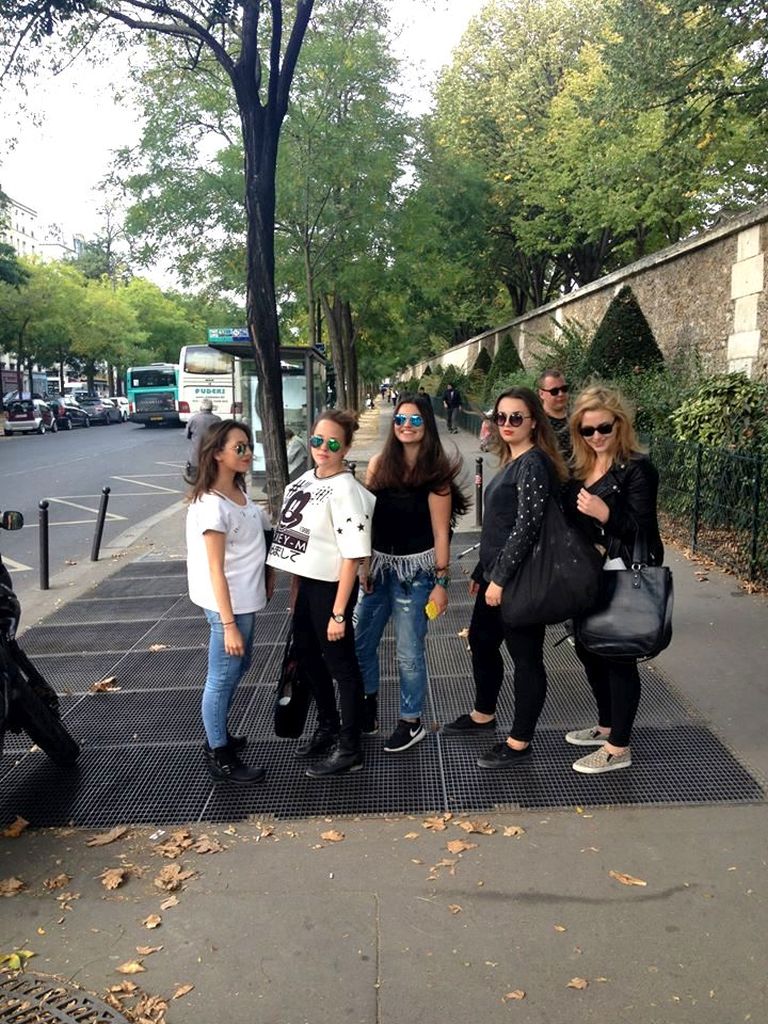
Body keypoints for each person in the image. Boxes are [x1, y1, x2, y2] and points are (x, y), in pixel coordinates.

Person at [443, 386, 568, 768]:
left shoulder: (533, 464)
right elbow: (500, 526)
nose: (507, 423)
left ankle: (519, 742)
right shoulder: (514, 460)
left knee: (526, 657)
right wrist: (483, 571)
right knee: (482, 640)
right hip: (497, 573)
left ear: (534, 422)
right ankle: (484, 714)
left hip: (519, 578)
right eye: (501, 417)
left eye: (516, 417)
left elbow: (527, 527)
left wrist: (499, 579)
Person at [354, 393, 469, 752]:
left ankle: (411, 720)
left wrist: (441, 583)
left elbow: (441, 533)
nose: (406, 425)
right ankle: (367, 708)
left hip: (416, 575)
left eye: (415, 420)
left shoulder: (436, 476)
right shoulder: (379, 464)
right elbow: (368, 521)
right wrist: (363, 565)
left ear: (427, 425)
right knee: (361, 642)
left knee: (408, 652)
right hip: (378, 569)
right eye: (400, 419)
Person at [267, 410, 375, 778]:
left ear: (346, 447)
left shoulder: (347, 491)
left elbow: (352, 555)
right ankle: (328, 725)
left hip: (332, 588)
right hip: (307, 586)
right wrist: (294, 592)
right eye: (316, 440)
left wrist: (339, 612)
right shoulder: (305, 480)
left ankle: (350, 746)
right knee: (309, 659)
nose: (322, 448)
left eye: (332, 443)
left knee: (342, 666)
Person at [565, 385, 664, 774]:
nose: (596, 436)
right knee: (588, 649)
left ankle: (618, 747)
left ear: (619, 424)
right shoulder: (579, 469)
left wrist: (606, 514)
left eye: (603, 428)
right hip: (587, 574)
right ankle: (606, 725)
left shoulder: (637, 469)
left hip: (624, 574)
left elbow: (644, 531)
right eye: (587, 430)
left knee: (618, 656)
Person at [186, 420, 274, 784]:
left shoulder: (238, 492)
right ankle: (219, 753)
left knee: (239, 667)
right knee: (222, 677)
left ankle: (217, 732)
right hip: (229, 606)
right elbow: (215, 569)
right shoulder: (212, 507)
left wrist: (268, 576)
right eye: (239, 447)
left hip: (245, 600)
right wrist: (227, 624)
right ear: (217, 454)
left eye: (248, 445)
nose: (248, 452)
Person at [537, 368, 572, 461]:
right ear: (541, 394)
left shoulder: (578, 417)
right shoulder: (537, 423)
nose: (560, 394)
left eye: (564, 389)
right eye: (554, 391)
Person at [185, 399, 221, 482]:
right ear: (211, 408)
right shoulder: (217, 420)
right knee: (212, 483)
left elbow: (187, 435)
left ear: (201, 408)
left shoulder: (193, 419)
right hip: (212, 458)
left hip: (196, 458)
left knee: (195, 482)